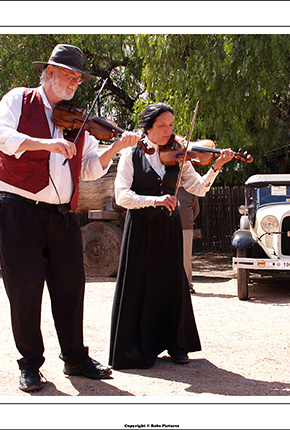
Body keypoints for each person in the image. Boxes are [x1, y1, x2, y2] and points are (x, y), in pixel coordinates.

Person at [0, 44, 140, 392]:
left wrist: (113, 148)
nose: (74, 82)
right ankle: (30, 365)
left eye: (78, 78)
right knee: (24, 291)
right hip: (19, 211)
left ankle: (75, 358)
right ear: (49, 72)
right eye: (69, 75)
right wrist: (44, 144)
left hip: (63, 216)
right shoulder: (19, 99)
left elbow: (86, 171)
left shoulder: (79, 119)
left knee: (71, 289)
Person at [109, 102, 235, 370]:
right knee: (140, 283)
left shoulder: (180, 155)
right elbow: (122, 197)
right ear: (148, 128)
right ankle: (138, 347)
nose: (169, 131)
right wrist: (155, 200)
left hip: (168, 228)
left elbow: (199, 189)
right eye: (162, 126)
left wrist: (217, 166)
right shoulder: (131, 155)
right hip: (141, 228)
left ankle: (175, 344)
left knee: (172, 283)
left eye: (171, 125)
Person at [177, 188, 200, 294]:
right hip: (169, 228)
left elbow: (196, 210)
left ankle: (187, 285)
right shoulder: (169, 187)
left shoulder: (191, 190)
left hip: (186, 228)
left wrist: (187, 221)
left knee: (186, 258)